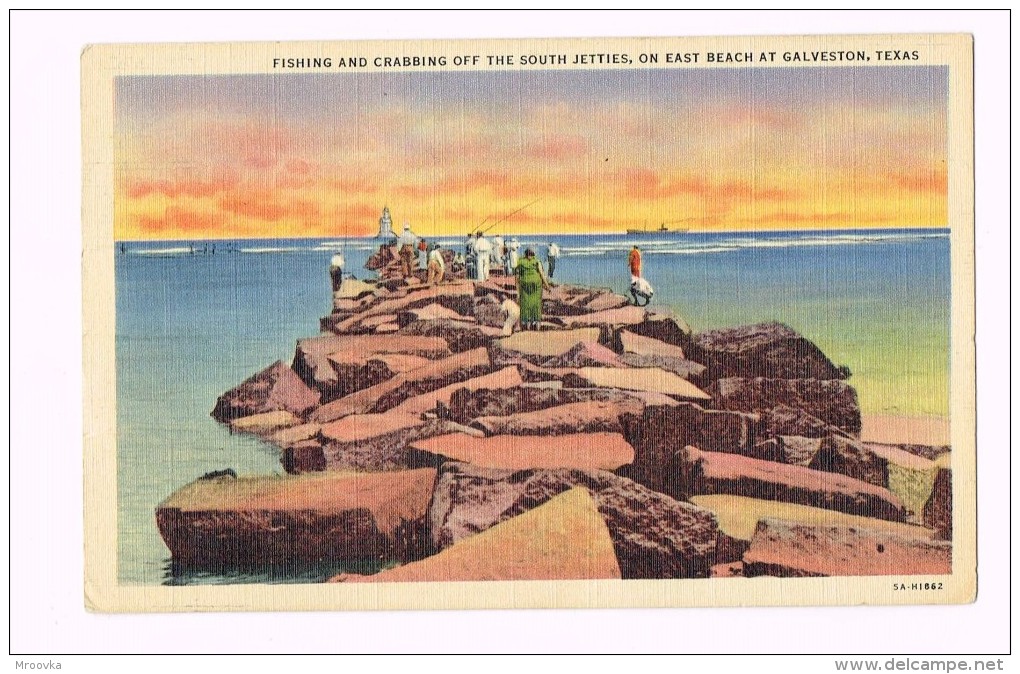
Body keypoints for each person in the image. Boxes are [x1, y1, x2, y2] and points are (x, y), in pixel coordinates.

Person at [514, 247, 551, 330]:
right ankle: (537, 326)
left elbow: (516, 277)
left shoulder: (520, 261)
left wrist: (517, 291)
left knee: (525, 305)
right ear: (533, 254)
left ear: (525, 254)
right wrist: (547, 286)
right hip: (536, 285)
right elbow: (542, 274)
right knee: (536, 304)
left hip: (524, 284)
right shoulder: (537, 261)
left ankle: (527, 326)